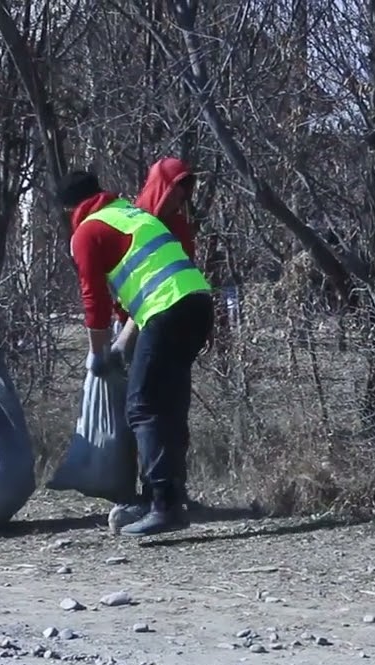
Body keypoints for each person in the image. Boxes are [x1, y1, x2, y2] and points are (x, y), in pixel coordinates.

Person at [58, 170, 215, 537]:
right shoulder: (132, 214)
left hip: (167, 310)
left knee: (143, 407)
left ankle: (163, 505)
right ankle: (171, 498)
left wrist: (98, 353)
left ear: (70, 208)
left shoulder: (87, 232)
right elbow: (140, 290)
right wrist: (121, 344)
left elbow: (93, 299)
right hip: (197, 303)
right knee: (169, 406)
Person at [104, 157, 208, 533]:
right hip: (145, 321)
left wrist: (122, 342)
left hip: (160, 321)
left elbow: (162, 288)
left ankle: (164, 499)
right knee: (148, 410)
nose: (182, 196)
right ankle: (152, 496)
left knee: (155, 407)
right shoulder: (137, 223)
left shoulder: (178, 228)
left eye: (186, 188)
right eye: (177, 186)